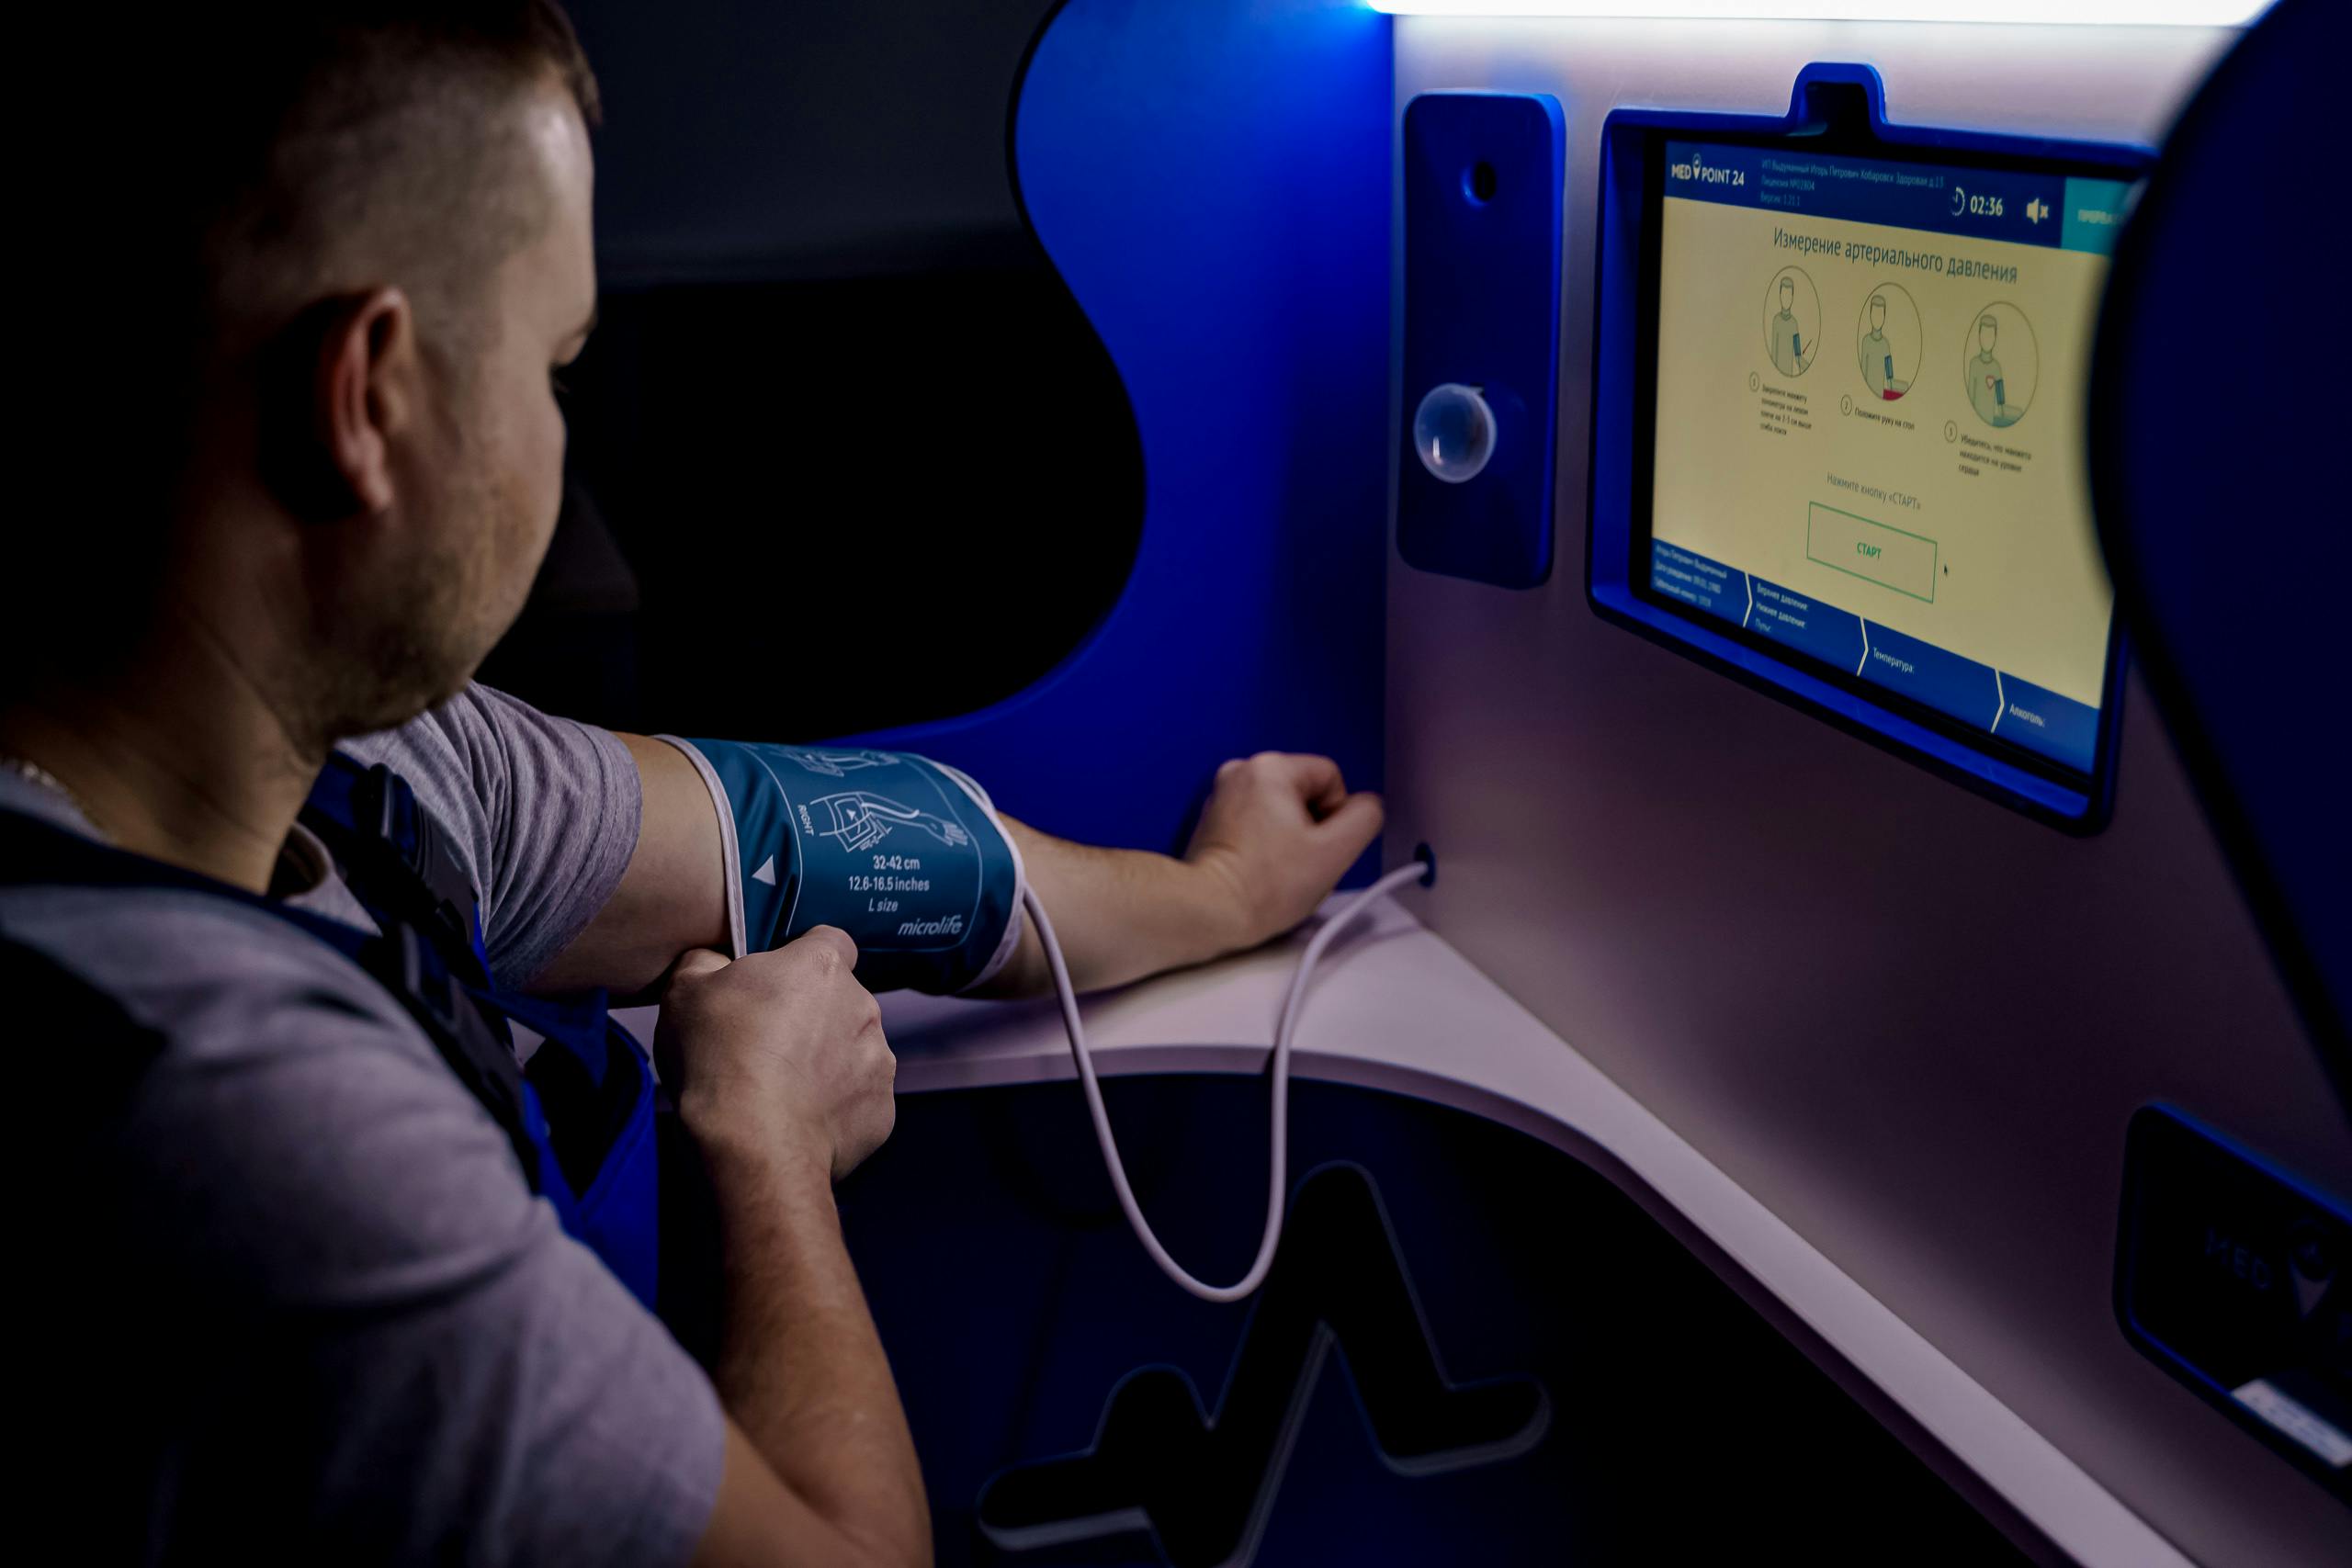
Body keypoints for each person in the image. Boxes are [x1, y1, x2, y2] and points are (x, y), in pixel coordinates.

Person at [2, 5, 1382, 1563]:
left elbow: (803, 843)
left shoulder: (358, 760)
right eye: (556, 362)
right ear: (369, 394)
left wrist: (1216, 895)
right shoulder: (234, 1126)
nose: (557, 430)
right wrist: (766, 1150)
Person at [1770, 273, 1808, 377]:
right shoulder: (1776, 321)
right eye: (1784, 295)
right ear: (1780, 295)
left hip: (1788, 378)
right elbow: (1773, 354)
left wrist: (1810, 369)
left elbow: (1798, 356)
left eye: (1788, 295)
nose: (1786, 299)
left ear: (1792, 297)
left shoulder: (1794, 324)